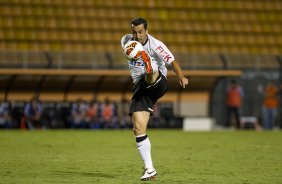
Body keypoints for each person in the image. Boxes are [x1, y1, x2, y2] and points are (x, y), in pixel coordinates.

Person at [121, 17, 188, 181]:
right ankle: (150, 169)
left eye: (140, 32)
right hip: (140, 88)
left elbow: (172, 62)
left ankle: (149, 67)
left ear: (146, 31)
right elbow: (127, 47)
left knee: (151, 73)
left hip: (159, 82)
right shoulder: (126, 42)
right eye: (134, 32)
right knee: (138, 129)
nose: (137, 36)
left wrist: (181, 76)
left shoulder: (156, 44)